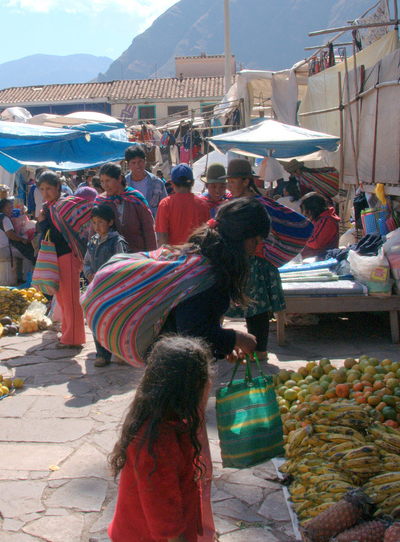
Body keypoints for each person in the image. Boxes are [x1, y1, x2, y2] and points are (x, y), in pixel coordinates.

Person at [85, 199, 265, 541]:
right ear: (244, 240)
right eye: (257, 240)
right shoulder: (210, 275)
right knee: (185, 465)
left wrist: (222, 343)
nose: (259, 249)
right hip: (177, 379)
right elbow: (193, 334)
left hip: (167, 371)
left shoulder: (198, 259)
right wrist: (234, 337)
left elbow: (191, 327)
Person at [108, 336, 213, 542]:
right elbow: (166, 523)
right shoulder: (158, 443)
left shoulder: (164, 421)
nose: (209, 384)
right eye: (204, 382)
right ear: (187, 390)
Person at [225, 159, 311, 363]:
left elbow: (301, 225)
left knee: (258, 310)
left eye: (232, 181)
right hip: (243, 264)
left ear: (246, 181)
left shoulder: (260, 204)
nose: (229, 186)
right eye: (228, 182)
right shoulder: (236, 204)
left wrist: (270, 250)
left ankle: (259, 352)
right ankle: (254, 351)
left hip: (259, 265)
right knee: (249, 309)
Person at [36, 171, 87, 350]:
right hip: (56, 256)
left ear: (58, 186)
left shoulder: (64, 205)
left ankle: (73, 338)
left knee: (70, 298)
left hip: (68, 255)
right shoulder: (49, 207)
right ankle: (68, 334)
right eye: (42, 189)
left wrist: (42, 222)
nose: (45, 192)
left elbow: (58, 234)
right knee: (63, 298)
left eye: (49, 188)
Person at [83, 204, 129, 368]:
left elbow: (122, 264)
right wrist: (89, 274)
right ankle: (101, 353)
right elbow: (87, 262)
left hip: (114, 290)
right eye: (94, 222)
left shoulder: (117, 242)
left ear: (110, 222)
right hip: (96, 290)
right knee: (97, 319)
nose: (96, 226)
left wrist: (109, 278)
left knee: (115, 320)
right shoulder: (92, 242)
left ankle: (119, 352)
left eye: (100, 222)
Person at [99, 163, 157, 253]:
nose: (104, 185)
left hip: (137, 258)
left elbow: (149, 232)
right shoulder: (101, 202)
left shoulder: (136, 199)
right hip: (111, 260)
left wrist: (152, 256)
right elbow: (94, 234)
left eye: (108, 181)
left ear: (119, 179)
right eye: (102, 181)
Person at [155, 164, 211, 246]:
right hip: (196, 256)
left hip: (173, 256)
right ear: (192, 183)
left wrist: (162, 257)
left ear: (172, 183)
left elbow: (163, 236)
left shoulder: (165, 204)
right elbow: (207, 235)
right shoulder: (203, 205)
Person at [0, 197, 35, 281]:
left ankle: (19, 276)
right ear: (2, 208)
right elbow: (11, 234)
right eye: (8, 208)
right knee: (28, 253)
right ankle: (26, 278)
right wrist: (22, 239)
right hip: (1, 249)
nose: (10, 210)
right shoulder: (4, 218)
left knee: (20, 252)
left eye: (11, 207)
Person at [124, 145, 167, 216]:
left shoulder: (157, 183)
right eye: (133, 163)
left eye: (140, 161)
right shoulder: (123, 184)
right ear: (128, 164)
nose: (137, 166)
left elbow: (165, 208)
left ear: (145, 161)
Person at [300, 192, 340, 259]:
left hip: (321, 258)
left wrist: (299, 235)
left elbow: (315, 243)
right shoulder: (318, 219)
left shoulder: (327, 221)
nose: (304, 213)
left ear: (312, 209)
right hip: (312, 257)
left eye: (305, 210)